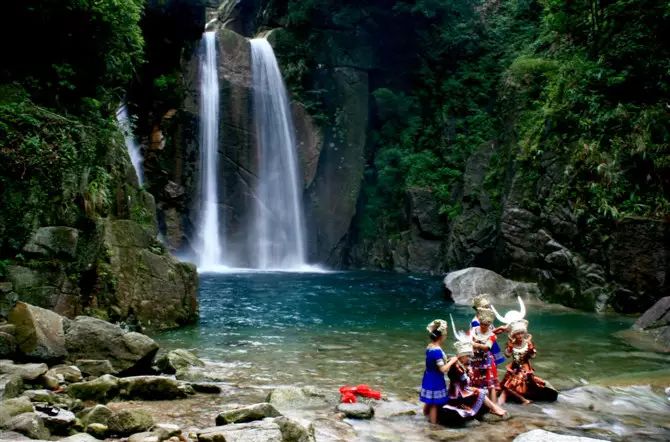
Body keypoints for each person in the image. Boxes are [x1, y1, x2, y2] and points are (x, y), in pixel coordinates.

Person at [443, 336, 507, 419]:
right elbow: (455, 375)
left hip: (463, 390)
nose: (470, 358)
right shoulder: (456, 365)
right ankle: (495, 409)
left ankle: (495, 408)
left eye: (470, 356)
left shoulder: (465, 365)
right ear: (461, 356)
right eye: (468, 356)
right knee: (480, 392)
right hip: (457, 393)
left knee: (483, 390)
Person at [499, 319, 558, 404]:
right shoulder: (512, 343)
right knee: (507, 386)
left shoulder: (527, 343)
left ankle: (523, 399)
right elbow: (507, 355)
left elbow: (533, 356)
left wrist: (531, 350)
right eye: (517, 334)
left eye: (521, 333)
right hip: (514, 366)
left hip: (525, 367)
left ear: (524, 333)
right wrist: (510, 347)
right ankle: (519, 399)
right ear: (514, 335)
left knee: (511, 385)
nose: (520, 336)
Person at [420, 319, 458, 424]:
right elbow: (443, 369)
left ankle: (424, 418)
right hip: (435, 379)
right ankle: (433, 425)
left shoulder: (429, 347)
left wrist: (446, 360)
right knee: (434, 404)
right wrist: (453, 361)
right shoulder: (437, 351)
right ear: (441, 336)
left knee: (429, 401)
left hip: (428, 375)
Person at [470, 308, 501, 402]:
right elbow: (468, 339)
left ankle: (494, 406)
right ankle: (477, 405)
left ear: (489, 325)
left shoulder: (491, 335)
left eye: (486, 325)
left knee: (491, 385)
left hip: (487, 361)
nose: (483, 326)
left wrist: (474, 344)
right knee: (475, 382)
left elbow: (487, 347)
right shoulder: (474, 330)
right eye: (482, 324)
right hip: (475, 360)